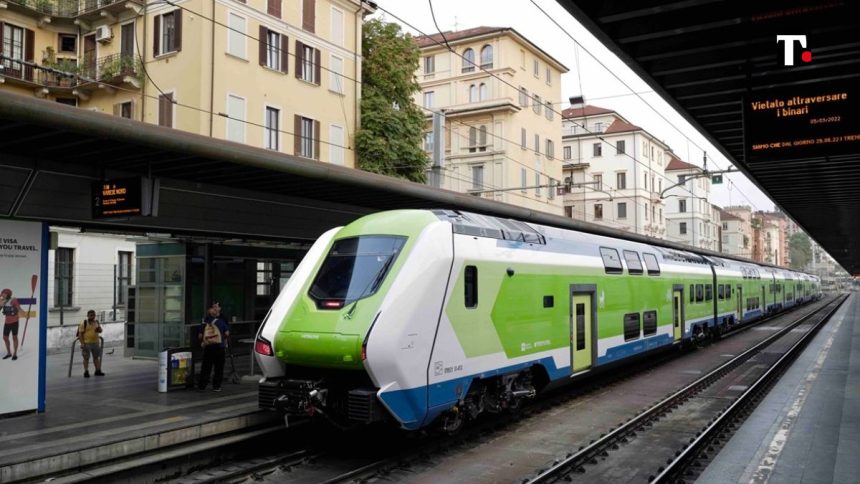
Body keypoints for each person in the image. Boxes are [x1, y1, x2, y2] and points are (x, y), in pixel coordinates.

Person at [198, 302, 229, 392]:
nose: (216, 309)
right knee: (219, 367)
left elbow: (200, 336)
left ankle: (202, 385)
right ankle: (216, 386)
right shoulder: (222, 321)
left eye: (217, 307)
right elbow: (227, 333)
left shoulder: (205, 322)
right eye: (214, 307)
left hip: (208, 347)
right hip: (219, 346)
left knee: (206, 367)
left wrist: (204, 340)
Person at [1, 288, 28, 361]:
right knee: (5, 338)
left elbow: (19, 309)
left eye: (4, 293)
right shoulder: (2, 301)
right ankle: (9, 353)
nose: (2, 295)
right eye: (2, 293)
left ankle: (15, 354)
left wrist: (25, 315)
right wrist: (1, 303)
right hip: (7, 322)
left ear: (8, 294)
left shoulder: (14, 300)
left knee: (14, 337)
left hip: (14, 322)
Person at [77, 310, 104, 377]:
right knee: (86, 358)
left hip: (96, 343)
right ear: (88, 316)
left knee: (96, 357)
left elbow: (100, 330)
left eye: (94, 315)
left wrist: (99, 330)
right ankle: (86, 371)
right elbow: (80, 334)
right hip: (87, 343)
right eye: (91, 315)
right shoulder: (84, 323)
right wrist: (82, 343)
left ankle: (97, 371)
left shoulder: (96, 322)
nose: (93, 316)